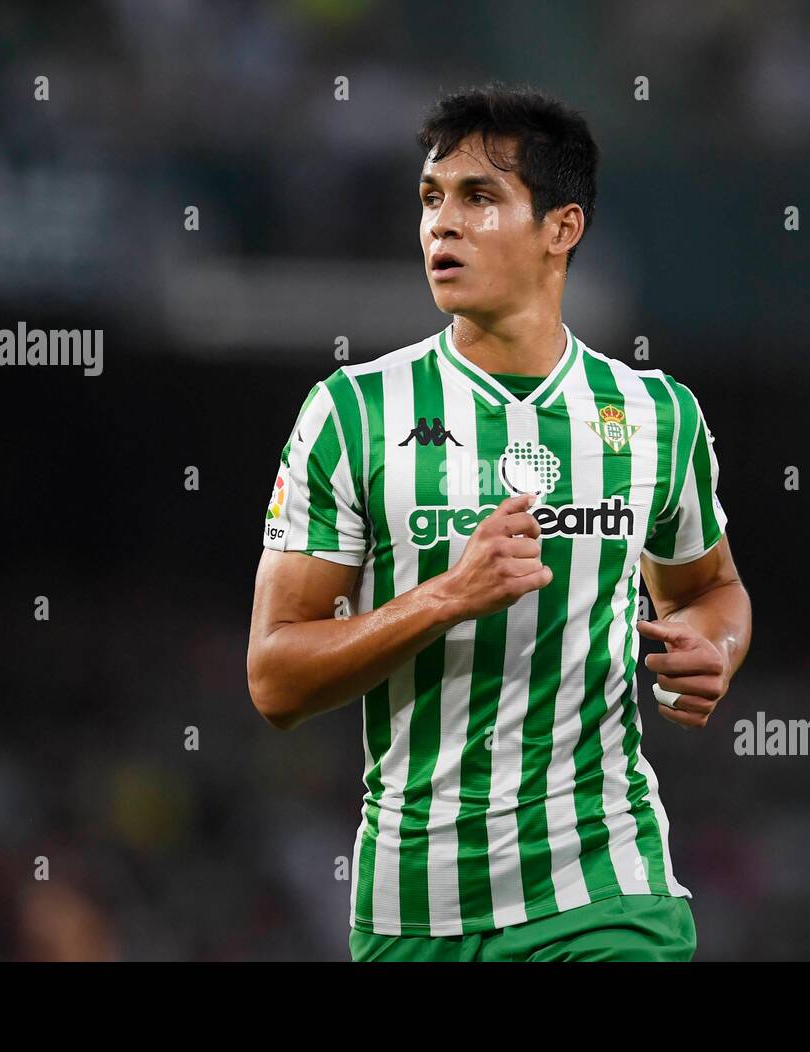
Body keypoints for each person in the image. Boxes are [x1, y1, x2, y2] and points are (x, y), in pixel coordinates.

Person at [247, 83, 752, 962]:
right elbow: (275, 679)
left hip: (604, 886)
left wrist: (713, 650)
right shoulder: (353, 412)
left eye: (479, 198)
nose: (442, 224)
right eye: (432, 198)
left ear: (562, 228)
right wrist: (444, 598)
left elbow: (709, 589)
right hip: (414, 906)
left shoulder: (655, 416)